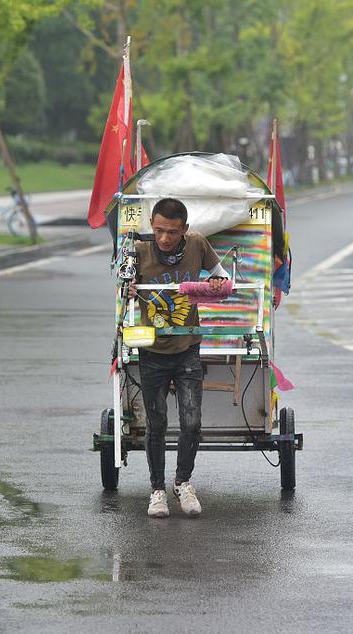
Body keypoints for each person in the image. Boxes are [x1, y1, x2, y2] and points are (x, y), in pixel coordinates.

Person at [127, 198, 230, 519]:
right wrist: (128, 287)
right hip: (151, 351)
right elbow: (122, 279)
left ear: (184, 230)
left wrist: (215, 281)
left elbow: (222, 278)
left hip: (187, 348)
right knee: (156, 423)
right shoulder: (138, 250)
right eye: (158, 231)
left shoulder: (198, 244)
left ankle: (183, 482)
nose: (164, 238)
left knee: (192, 422)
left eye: (172, 232)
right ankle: (157, 490)